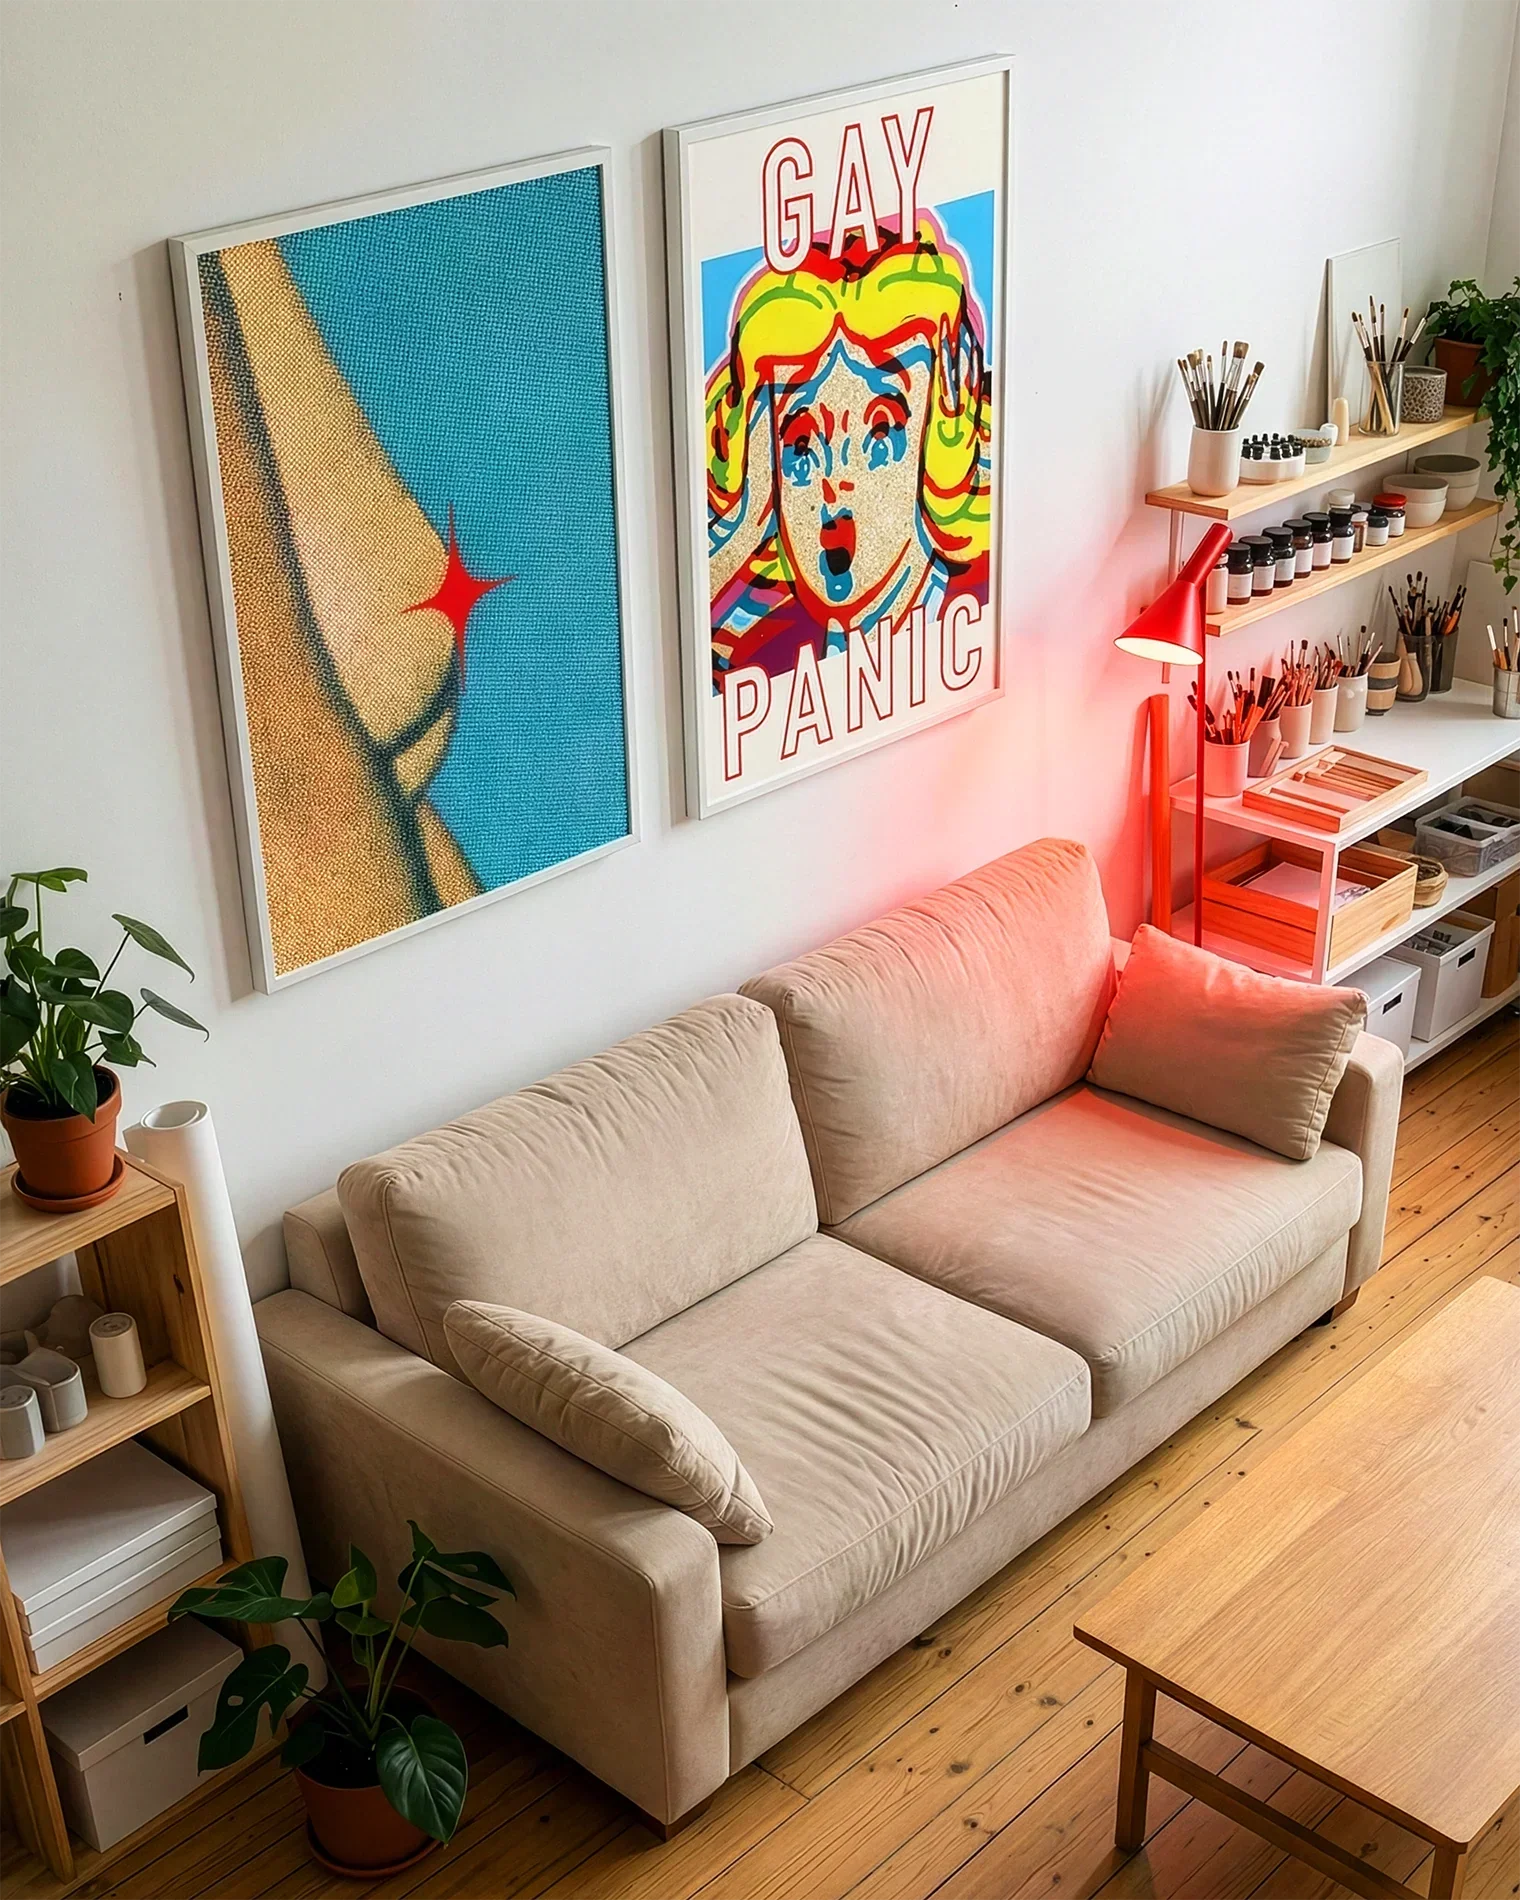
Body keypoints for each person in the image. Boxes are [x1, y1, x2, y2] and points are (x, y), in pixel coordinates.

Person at [704, 214, 992, 688]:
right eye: (801, 443)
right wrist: (738, 534)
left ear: (938, 429)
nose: (834, 483)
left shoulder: (989, 611)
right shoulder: (749, 656)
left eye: (880, 432)